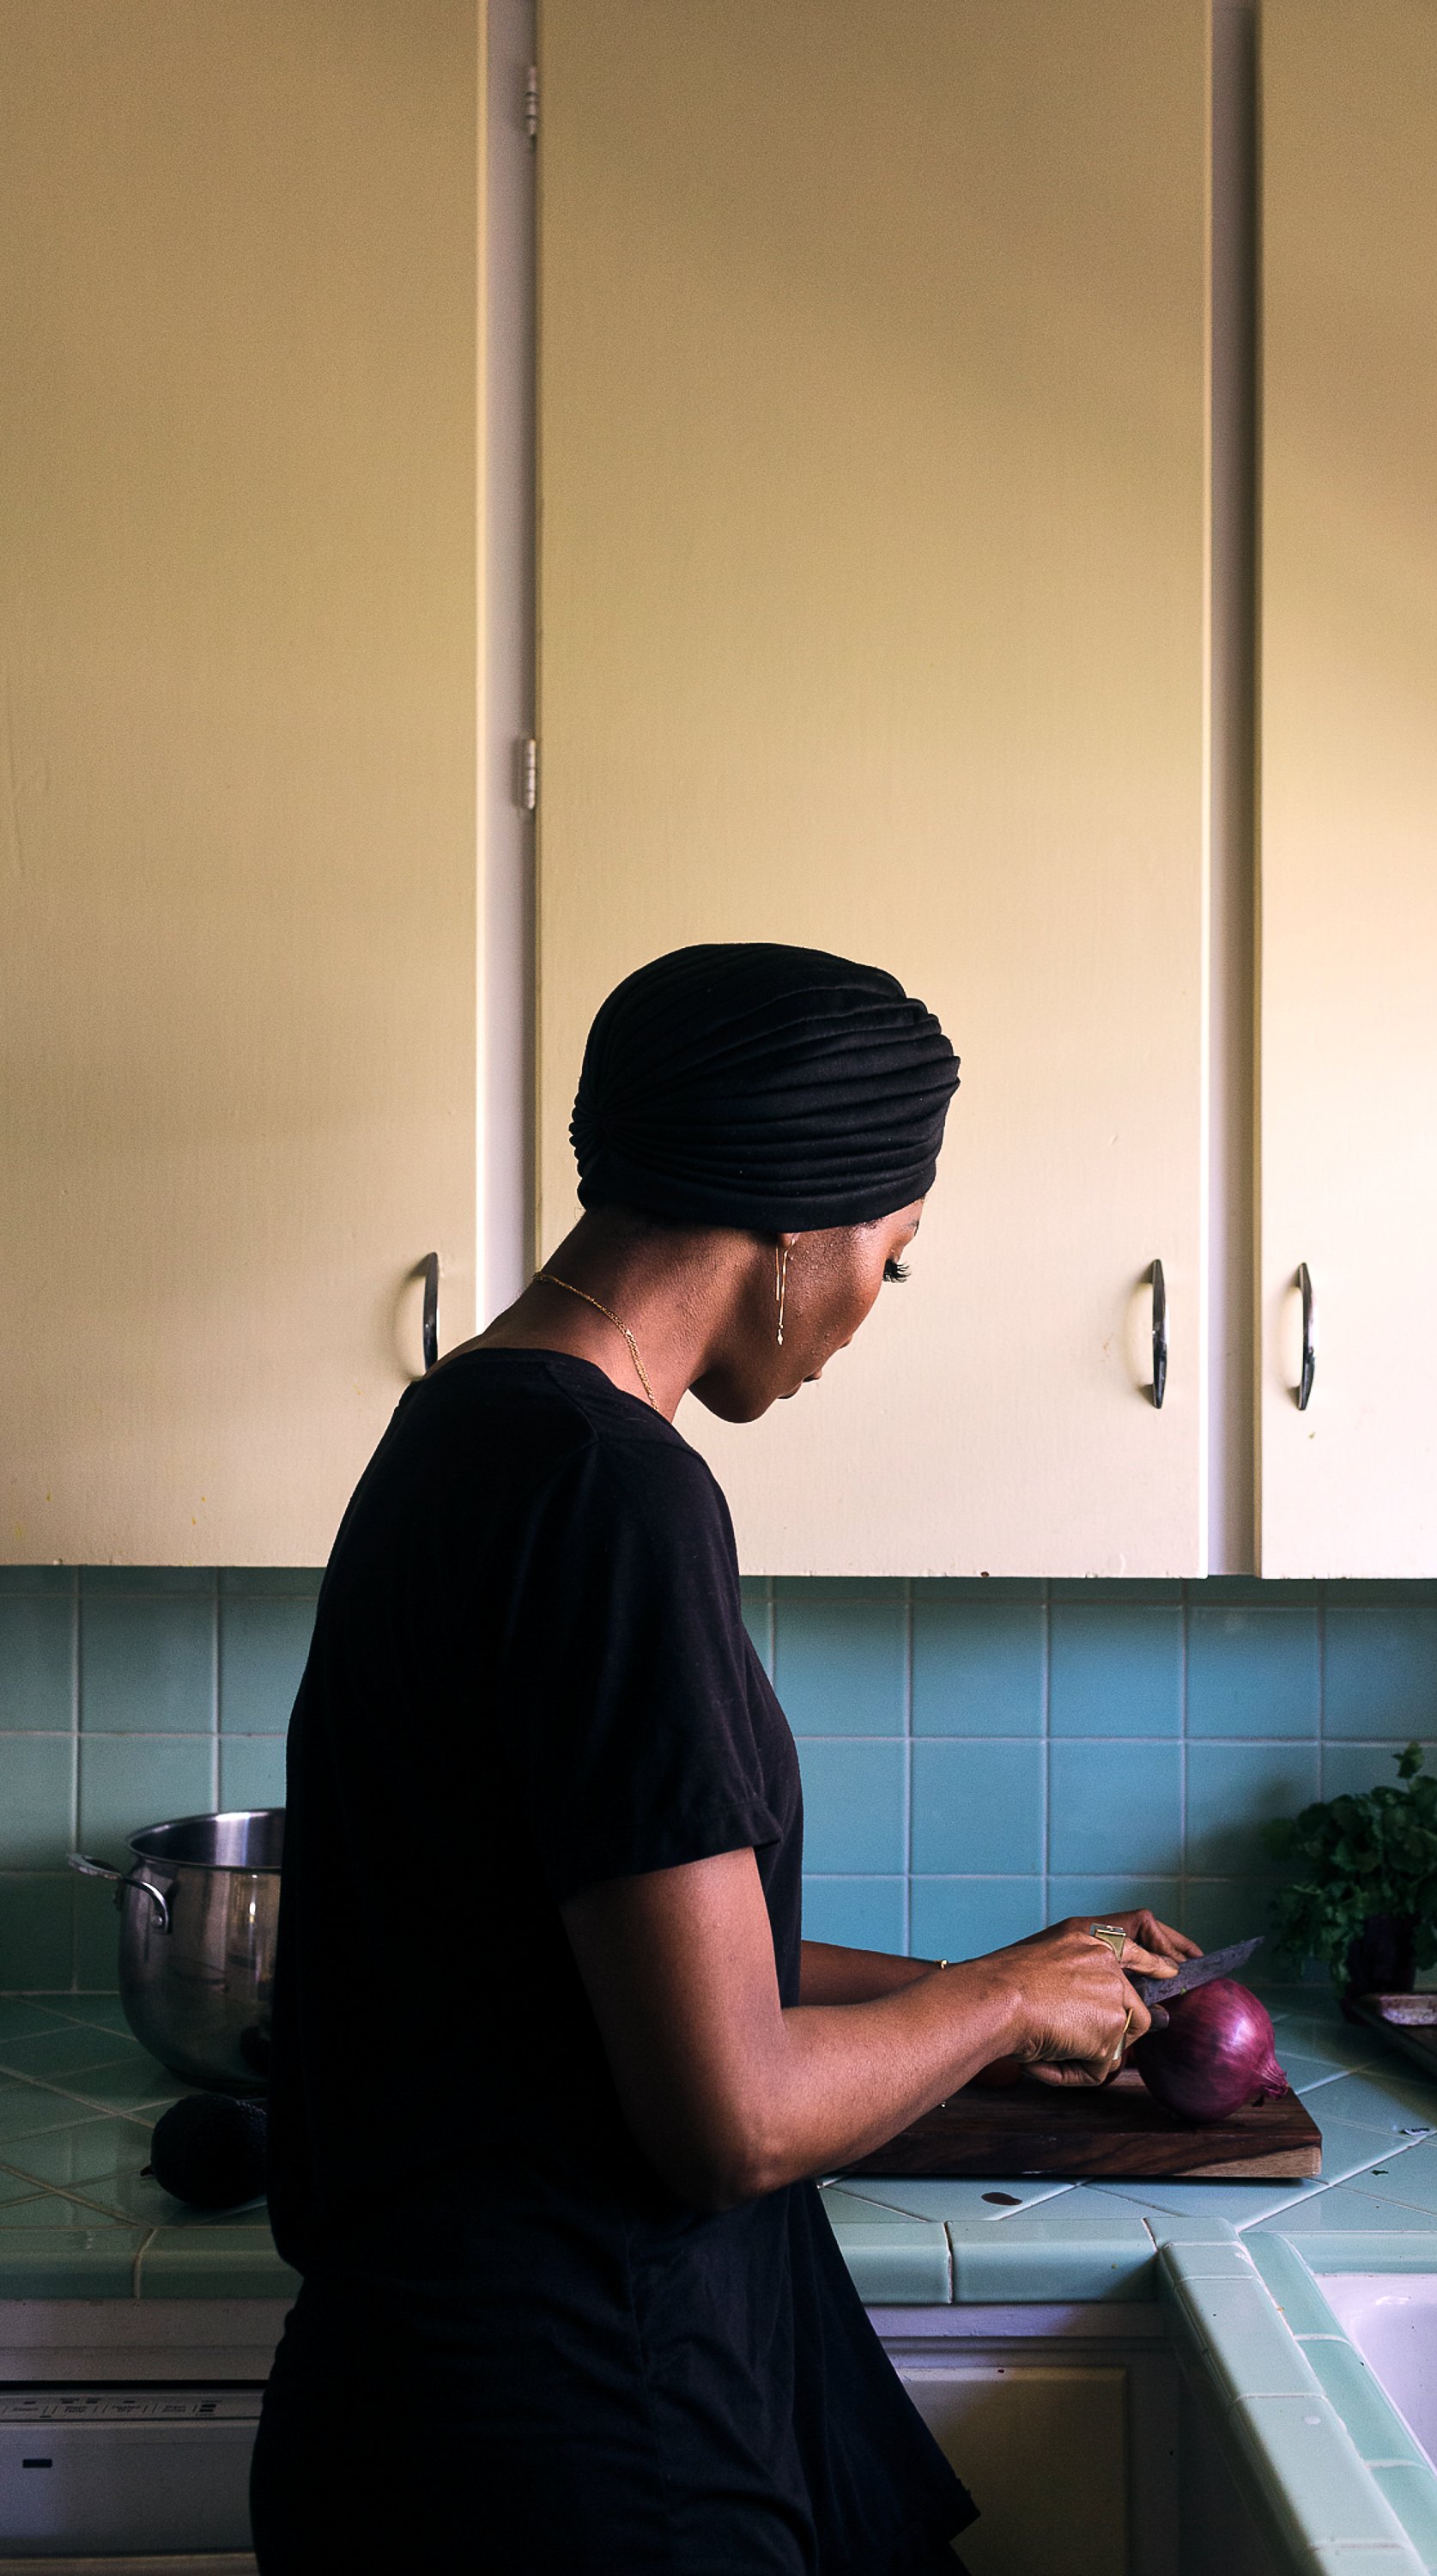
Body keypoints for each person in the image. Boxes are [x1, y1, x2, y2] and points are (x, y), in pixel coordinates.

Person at [252, 943, 1198, 2573]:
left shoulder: (462, 1428)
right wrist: (990, 2008)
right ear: (796, 1225)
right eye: (891, 1261)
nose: (864, 1316)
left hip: (405, 2421)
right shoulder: (616, 1496)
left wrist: (1004, 1985)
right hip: (585, 2446)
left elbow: (605, 1952)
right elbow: (733, 2119)